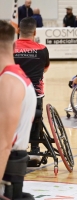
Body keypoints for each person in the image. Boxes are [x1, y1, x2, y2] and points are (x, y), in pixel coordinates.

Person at [0, 20, 36, 200]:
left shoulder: (10, 82)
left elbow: (4, 144)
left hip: (7, 169)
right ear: (14, 46)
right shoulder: (14, 76)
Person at [14, 17, 50, 165]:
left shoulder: (10, 47)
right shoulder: (42, 49)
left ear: (18, 30)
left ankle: (15, 148)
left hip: (13, 93)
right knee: (36, 115)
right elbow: (45, 68)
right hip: (35, 93)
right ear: (35, 32)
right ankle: (35, 149)